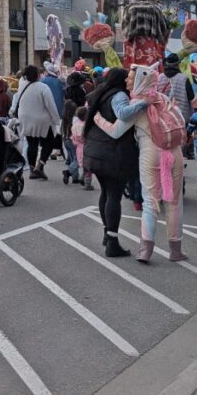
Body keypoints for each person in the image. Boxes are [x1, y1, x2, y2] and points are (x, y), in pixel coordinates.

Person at [93, 65, 189, 263]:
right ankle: (175, 250)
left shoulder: (137, 104)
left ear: (139, 81)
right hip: (175, 152)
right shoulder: (162, 98)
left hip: (151, 153)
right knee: (174, 203)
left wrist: (97, 118)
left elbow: (116, 131)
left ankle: (145, 250)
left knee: (150, 203)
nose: (127, 82)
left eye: (130, 78)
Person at [82, 68, 147, 258]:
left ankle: (106, 233)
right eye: (126, 77)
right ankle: (112, 241)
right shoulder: (118, 95)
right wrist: (143, 104)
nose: (129, 80)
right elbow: (123, 114)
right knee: (113, 196)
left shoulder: (99, 94)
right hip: (113, 152)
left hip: (95, 150)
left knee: (105, 193)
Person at [9, 65, 61, 181]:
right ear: (38, 75)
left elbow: (17, 100)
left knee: (32, 144)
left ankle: (32, 169)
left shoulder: (22, 86)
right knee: (49, 142)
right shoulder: (43, 87)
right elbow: (51, 105)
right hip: (42, 120)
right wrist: (56, 120)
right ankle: (40, 164)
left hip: (25, 119)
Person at [60, 71, 86, 186]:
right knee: (77, 158)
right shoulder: (81, 92)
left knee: (71, 157)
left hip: (65, 137)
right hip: (74, 135)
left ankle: (74, 177)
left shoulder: (67, 91)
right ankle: (69, 172)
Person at [161, 53, 195, 123]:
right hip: (180, 117)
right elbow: (191, 96)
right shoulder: (184, 78)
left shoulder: (159, 77)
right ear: (178, 65)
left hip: (163, 116)